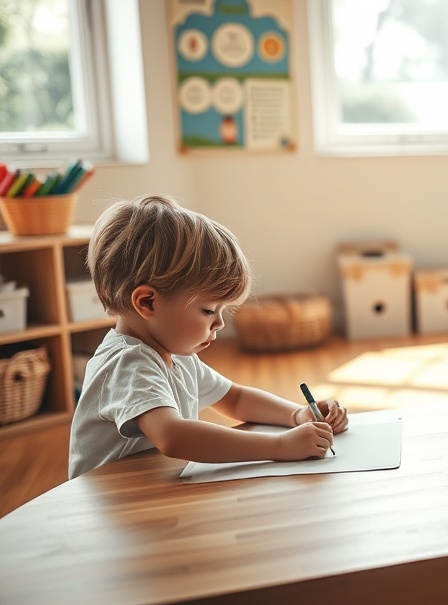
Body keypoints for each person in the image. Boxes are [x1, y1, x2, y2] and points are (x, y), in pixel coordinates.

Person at [68, 195, 348, 479]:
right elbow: (173, 436)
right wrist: (279, 445)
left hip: (145, 493)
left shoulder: (175, 354)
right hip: (106, 510)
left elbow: (235, 399)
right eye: (208, 310)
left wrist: (297, 415)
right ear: (148, 303)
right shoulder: (127, 364)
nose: (220, 323)